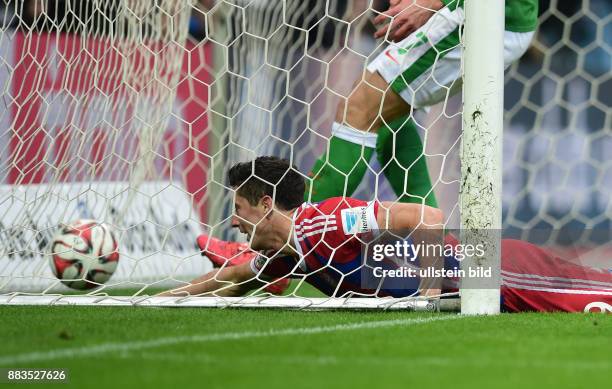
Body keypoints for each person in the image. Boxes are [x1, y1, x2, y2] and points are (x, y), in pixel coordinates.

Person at [163, 157, 612, 313]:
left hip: (492, 268)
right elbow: (236, 277)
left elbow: (429, 216)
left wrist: (431, 289)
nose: (234, 221)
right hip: (483, 283)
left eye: (239, 210)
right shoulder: (290, 253)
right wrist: (165, 297)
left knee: (599, 301)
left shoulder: (328, 222)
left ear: (266, 205)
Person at [305, 0, 539, 208]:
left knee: (361, 107)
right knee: (389, 117)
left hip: (485, 17)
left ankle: (298, 239)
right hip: (474, 12)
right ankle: (434, 245)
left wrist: (432, 2)